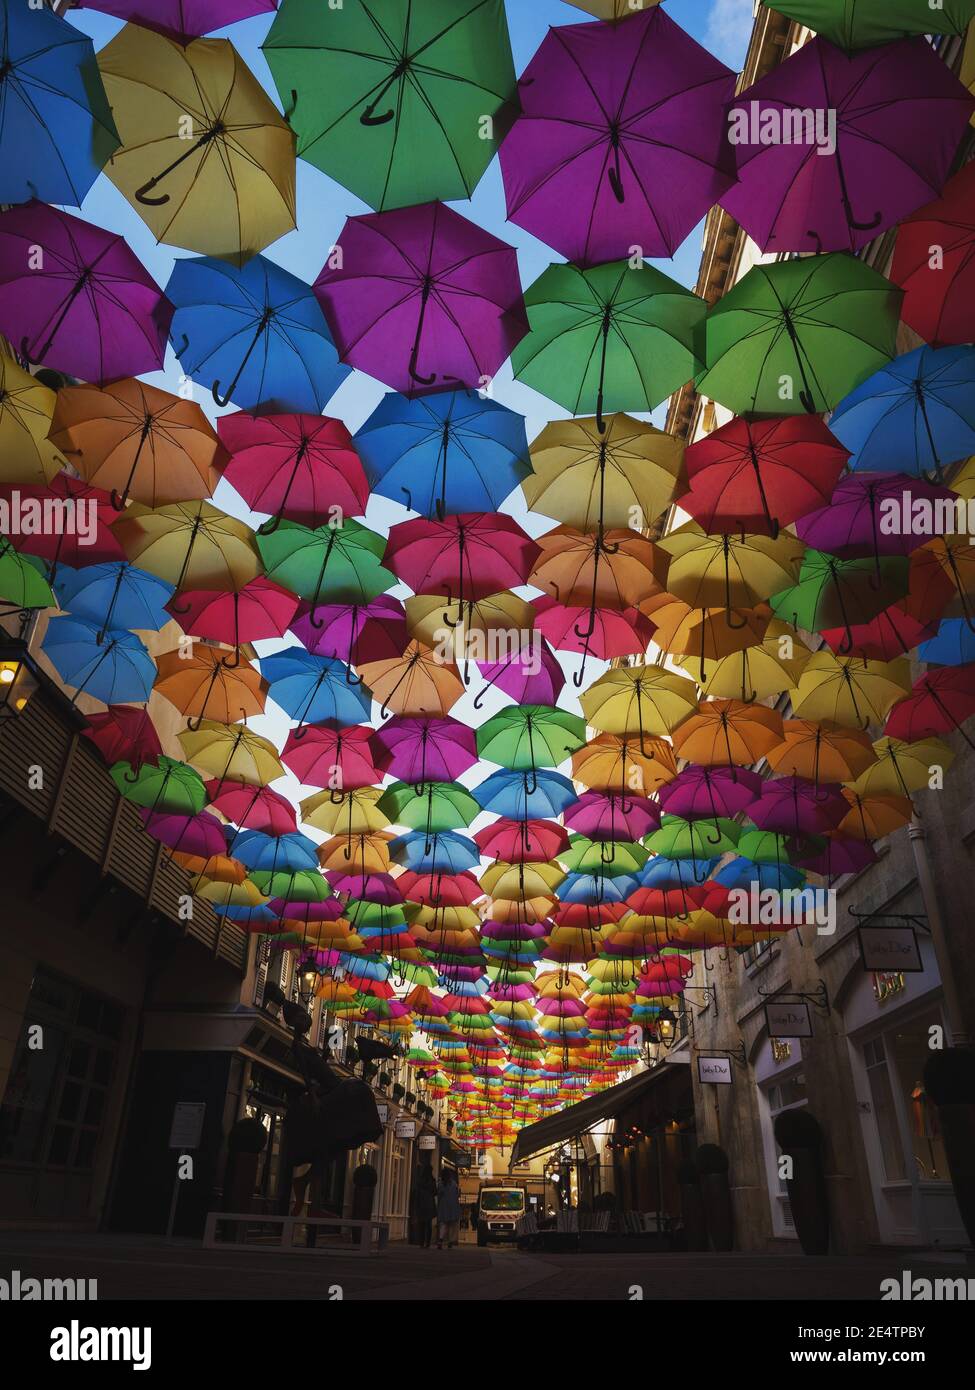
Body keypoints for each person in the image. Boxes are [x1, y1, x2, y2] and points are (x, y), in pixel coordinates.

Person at [414, 1156, 437, 1249]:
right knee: (428, 1225)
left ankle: (421, 1242)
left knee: (421, 1224)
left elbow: (417, 1192)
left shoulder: (420, 1180)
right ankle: (427, 1243)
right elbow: (435, 1192)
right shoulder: (432, 1180)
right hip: (429, 1204)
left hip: (421, 1204)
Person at [436, 1167, 461, 1249]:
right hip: (453, 1206)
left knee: (443, 1224)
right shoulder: (454, 1184)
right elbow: (457, 1195)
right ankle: (450, 1241)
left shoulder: (441, 1184)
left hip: (444, 1205)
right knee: (451, 1224)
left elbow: (439, 1194)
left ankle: (440, 1239)